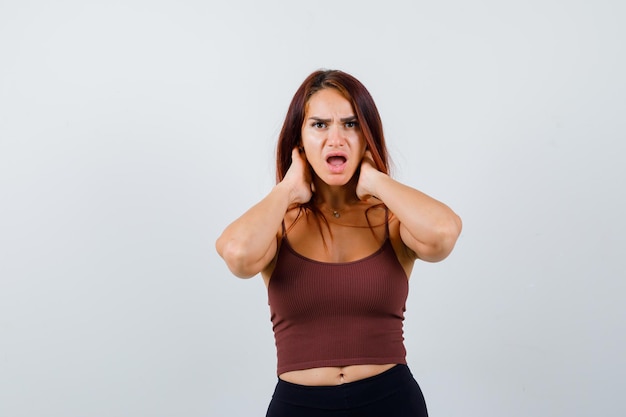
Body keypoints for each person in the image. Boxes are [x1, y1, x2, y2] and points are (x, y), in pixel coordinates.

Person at [216, 69, 462, 417]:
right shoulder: (278, 223)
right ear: (299, 140)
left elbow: (443, 233)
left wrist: (375, 181)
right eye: (320, 125)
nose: (336, 138)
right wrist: (286, 189)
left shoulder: (391, 218)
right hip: (299, 406)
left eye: (351, 124)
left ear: (366, 137)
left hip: (390, 401)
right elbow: (239, 255)